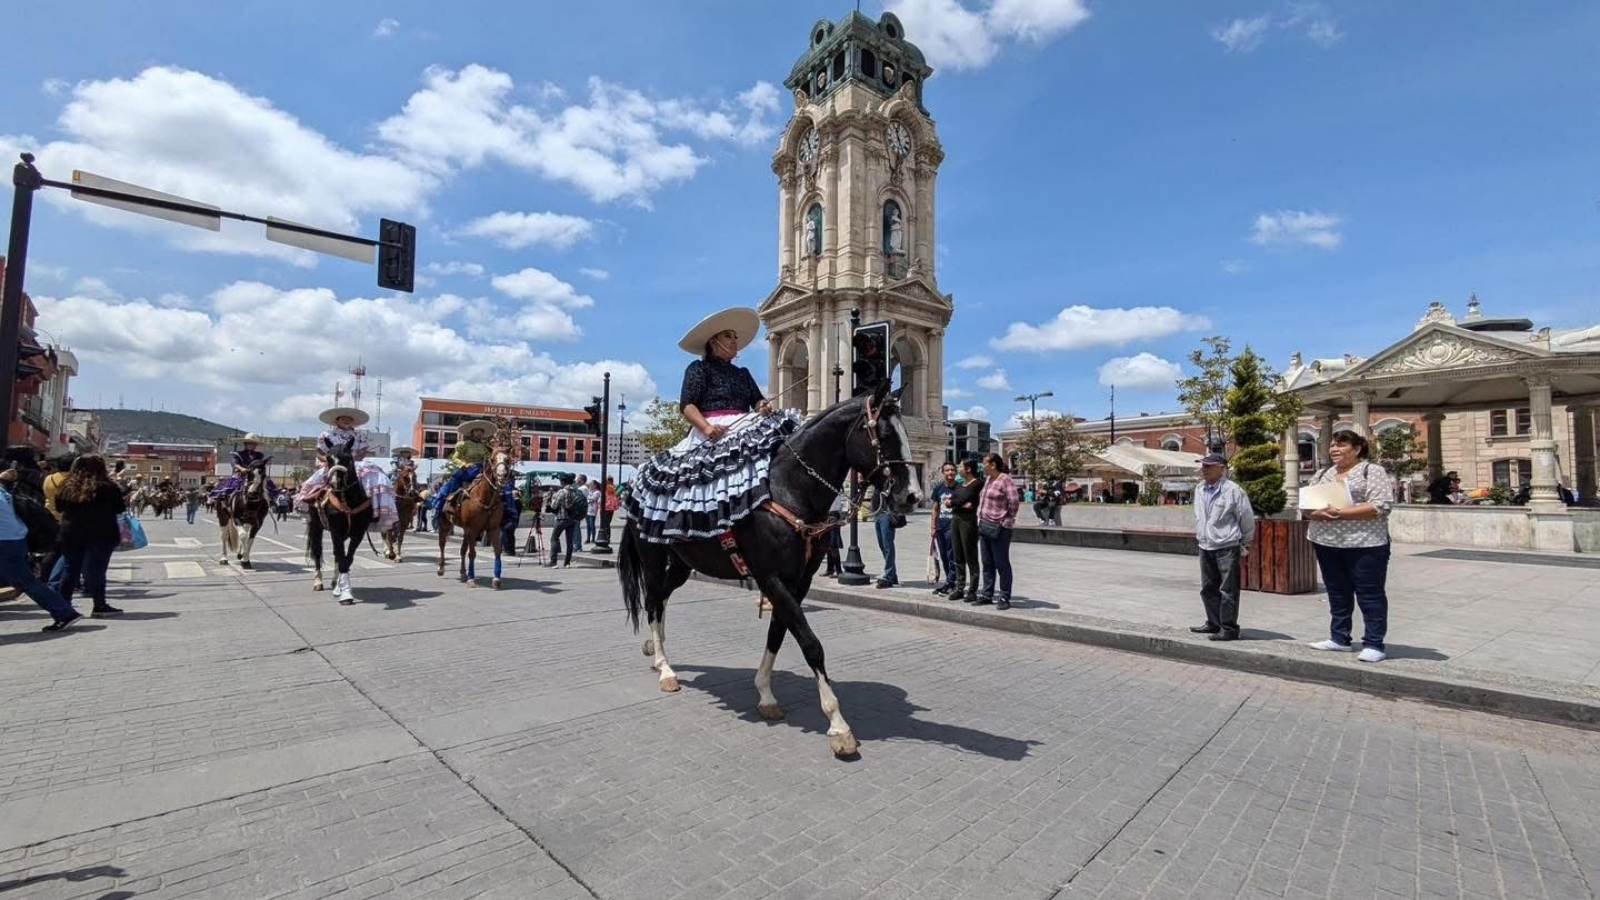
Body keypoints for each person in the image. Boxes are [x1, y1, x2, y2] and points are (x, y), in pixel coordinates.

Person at [621, 306, 798, 543]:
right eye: (729, 336)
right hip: (711, 427)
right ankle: (697, 530)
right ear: (714, 341)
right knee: (700, 478)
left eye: (735, 337)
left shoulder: (742, 373)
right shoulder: (699, 369)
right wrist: (706, 428)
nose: (735, 341)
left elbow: (757, 399)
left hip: (744, 425)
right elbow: (687, 405)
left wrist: (762, 406)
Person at [1305, 431, 1395, 663]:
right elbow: (1306, 506)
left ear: (1357, 449)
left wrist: (1339, 513)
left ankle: (1374, 643)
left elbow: (1380, 506)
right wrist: (1314, 513)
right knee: (1337, 592)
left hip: (1365, 544)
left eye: (1341, 445)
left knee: (1370, 594)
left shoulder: (1371, 471)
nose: (1334, 449)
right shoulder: (1323, 473)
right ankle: (1339, 638)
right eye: (1332, 444)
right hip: (1327, 542)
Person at [293, 407, 399, 532]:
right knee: (320, 480)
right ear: (337, 421)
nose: (346, 421)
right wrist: (330, 461)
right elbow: (319, 453)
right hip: (333, 463)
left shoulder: (359, 435)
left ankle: (377, 508)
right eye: (343, 419)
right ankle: (312, 503)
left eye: (349, 419)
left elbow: (363, 452)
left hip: (354, 462)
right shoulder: (326, 434)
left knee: (378, 477)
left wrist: (352, 460)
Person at [1189, 453, 1256, 642]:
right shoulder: (1200, 489)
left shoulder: (1233, 491)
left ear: (1222, 468)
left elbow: (1247, 519)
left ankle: (1229, 628)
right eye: (1203, 465)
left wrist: (1245, 543)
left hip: (1227, 545)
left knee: (1228, 589)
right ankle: (1213, 622)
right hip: (1205, 544)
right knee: (1208, 588)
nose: (1204, 469)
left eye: (1209, 466)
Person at [0, 477, 80, 631]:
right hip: (15, 537)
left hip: (5, 541)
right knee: (25, 580)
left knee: (25, 581)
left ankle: (64, 612)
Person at [55, 455, 127, 619]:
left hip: (72, 533)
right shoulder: (108, 486)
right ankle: (99, 605)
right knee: (97, 571)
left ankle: (64, 606)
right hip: (102, 533)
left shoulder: (66, 485)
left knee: (70, 569)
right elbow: (119, 508)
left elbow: (59, 507)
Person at [975, 453, 1020, 609]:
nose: (982, 466)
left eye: (984, 463)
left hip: (999, 528)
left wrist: (1006, 521)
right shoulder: (988, 479)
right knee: (987, 562)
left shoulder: (1005, 480)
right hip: (984, 526)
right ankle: (987, 594)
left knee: (1001, 563)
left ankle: (1004, 597)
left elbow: (1014, 502)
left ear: (993, 465)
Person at [430, 421, 498, 511]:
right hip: (468, 470)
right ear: (472, 432)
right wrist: (463, 464)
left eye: (481, 431)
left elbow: (489, 459)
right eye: (477, 430)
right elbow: (455, 458)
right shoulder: (464, 444)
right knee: (453, 479)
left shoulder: (485, 447)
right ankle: (439, 502)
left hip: (483, 469)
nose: (479, 433)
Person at [209, 434, 278, 506]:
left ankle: (271, 500)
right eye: (250, 443)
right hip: (242, 475)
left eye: (254, 444)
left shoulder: (259, 455)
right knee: (233, 484)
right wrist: (241, 469)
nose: (252, 445)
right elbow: (234, 463)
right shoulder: (239, 454)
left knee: (268, 484)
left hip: (255, 475)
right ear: (245, 444)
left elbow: (259, 464)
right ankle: (225, 502)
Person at [950, 458, 984, 602]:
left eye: (961, 467)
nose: (958, 469)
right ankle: (959, 587)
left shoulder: (976, 484)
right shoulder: (960, 484)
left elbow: (959, 500)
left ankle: (972, 590)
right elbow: (956, 500)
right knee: (958, 555)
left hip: (968, 521)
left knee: (970, 555)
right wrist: (956, 503)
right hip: (956, 518)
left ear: (968, 469)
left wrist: (955, 502)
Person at [928, 463, 958, 595]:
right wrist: (933, 526)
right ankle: (949, 582)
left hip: (953, 527)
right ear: (943, 473)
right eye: (947, 470)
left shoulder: (959, 488)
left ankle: (953, 583)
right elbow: (935, 509)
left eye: (952, 470)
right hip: (941, 527)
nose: (950, 472)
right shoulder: (939, 488)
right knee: (944, 556)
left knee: (952, 556)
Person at [546, 474, 584, 568]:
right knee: (569, 541)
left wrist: (550, 502)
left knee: (554, 538)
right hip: (572, 519)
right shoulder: (577, 491)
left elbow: (554, 506)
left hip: (561, 518)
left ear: (563, 482)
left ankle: (553, 562)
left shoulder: (562, 492)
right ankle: (567, 563)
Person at [873, 491, 904, 589]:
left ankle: (888, 576)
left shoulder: (891, 482)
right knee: (882, 546)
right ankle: (892, 575)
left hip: (887, 515)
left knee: (887, 546)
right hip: (877, 515)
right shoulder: (878, 482)